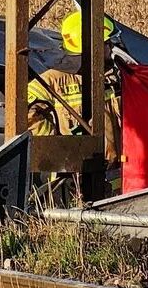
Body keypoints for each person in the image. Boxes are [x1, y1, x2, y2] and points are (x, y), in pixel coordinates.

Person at [28, 11, 124, 191]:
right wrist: (58, 145)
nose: (111, 47)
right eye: (106, 43)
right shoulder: (51, 81)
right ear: (92, 46)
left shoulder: (112, 78)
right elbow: (25, 115)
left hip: (113, 179)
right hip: (71, 183)